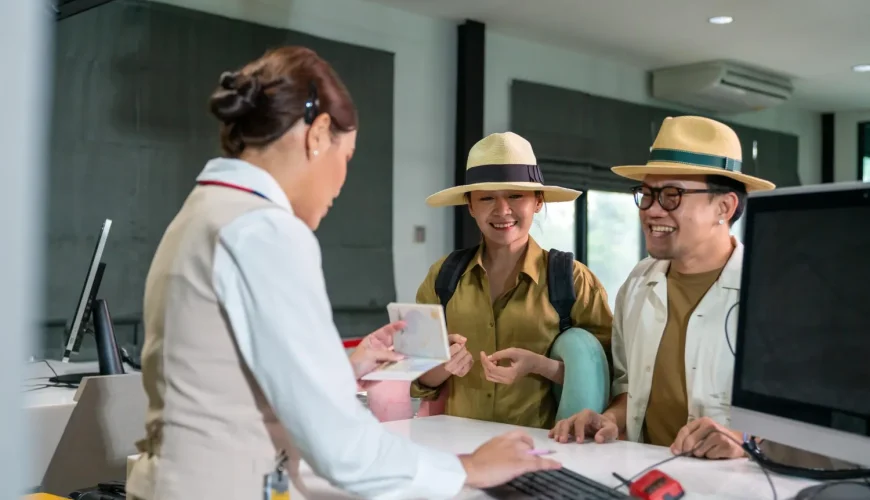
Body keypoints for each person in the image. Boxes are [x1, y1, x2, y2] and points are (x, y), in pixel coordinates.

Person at [125, 46, 560, 500]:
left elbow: (232, 377)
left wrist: (342, 367)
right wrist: (468, 467)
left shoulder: (205, 212)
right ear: (318, 135)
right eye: (347, 157)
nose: (342, 182)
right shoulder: (266, 231)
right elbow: (339, 445)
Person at [549, 115, 776, 460]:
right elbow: (631, 390)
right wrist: (609, 419)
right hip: (650, 480)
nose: (651, 210)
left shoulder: (771, 296)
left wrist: (744, 440)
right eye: (647, 194)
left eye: (672, 196)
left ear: (724, 207)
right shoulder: (638, 284)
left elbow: (804, 421)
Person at [410, 131, 614, 429]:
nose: (502, 210)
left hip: (543, 452)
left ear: (538, 201)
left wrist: (541, 367)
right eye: (487, 198)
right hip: (457, 449)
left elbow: (609, 376)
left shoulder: (573, 281)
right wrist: (441, 368)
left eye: (515, 196)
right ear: (470, 206)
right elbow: (417, 377)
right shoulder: (443, 277)